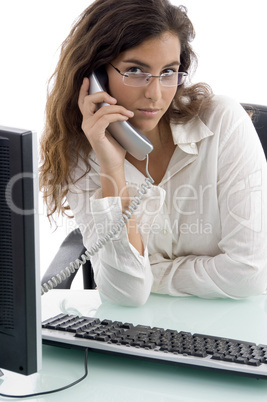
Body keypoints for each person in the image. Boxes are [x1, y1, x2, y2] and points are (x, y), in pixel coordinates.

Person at [39, 0, 267, 306]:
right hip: (144, 331)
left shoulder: (222, 121)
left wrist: (152, 274)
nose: (155, 94)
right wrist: (112, 169)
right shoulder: (80, 156)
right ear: (96, 77)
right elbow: (127, 293)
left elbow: (249, 273)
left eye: (168, 71)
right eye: (136, 70)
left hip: (237, 329)